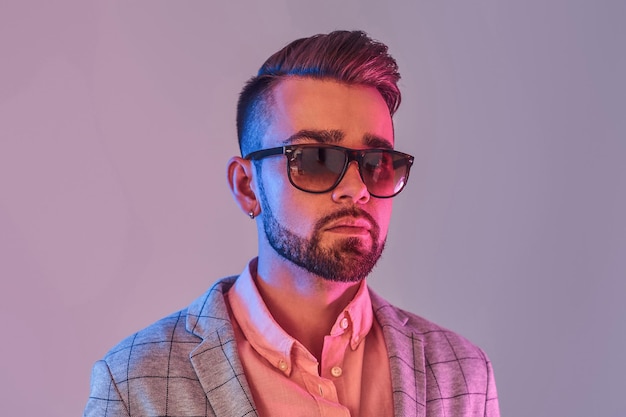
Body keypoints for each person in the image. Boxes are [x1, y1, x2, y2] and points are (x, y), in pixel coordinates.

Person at [84, 30, 500, 417]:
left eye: (377, 163)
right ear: (247, 186)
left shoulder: (463, 374)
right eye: (317, 159)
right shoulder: (134, 383)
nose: (357, 190)